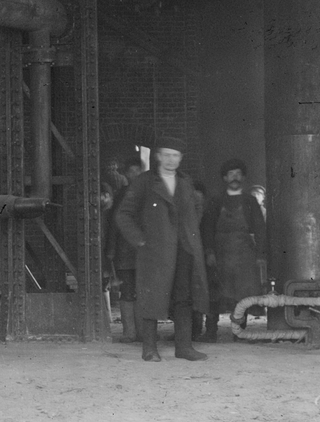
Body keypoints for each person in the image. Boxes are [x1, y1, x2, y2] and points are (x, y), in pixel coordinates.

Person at [115, 137, 210, 362]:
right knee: (152, 297)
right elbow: (123, 214)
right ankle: (149, 349)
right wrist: (140, 240)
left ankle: (184, 347)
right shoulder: (144, 182)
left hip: (184, 250)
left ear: (181, 158)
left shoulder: (185, 182)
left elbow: (196, 208)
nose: (171, 160)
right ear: (158, 156)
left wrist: (189, 232)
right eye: (166, 155)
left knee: (184, 297)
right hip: (155, 252)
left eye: (175, 156)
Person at [200, 158, 267, 342]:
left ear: (243, 177)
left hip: (244, 253)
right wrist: (209, 252)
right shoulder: (215, 201)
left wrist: (260, 255)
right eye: (231, 174)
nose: (235, 177)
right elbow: (207, 228)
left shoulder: (250, 201)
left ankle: (239, 332)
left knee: (242, 294)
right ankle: (211, 332)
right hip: (220, 253)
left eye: (238, 174)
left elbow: (260, 229)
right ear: (225, 178)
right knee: (215, 293)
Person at [108, 154, 145, 344]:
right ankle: (130, 332)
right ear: (126, 174)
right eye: (132, 171)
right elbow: (114, 224)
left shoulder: (148, 193)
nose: (135, 174)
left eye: (138, 171)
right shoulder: (121, 195)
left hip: (143, 251)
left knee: (142, 292)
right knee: (128, 291)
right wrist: (111, 249)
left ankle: (143, 332)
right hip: (125, 252)